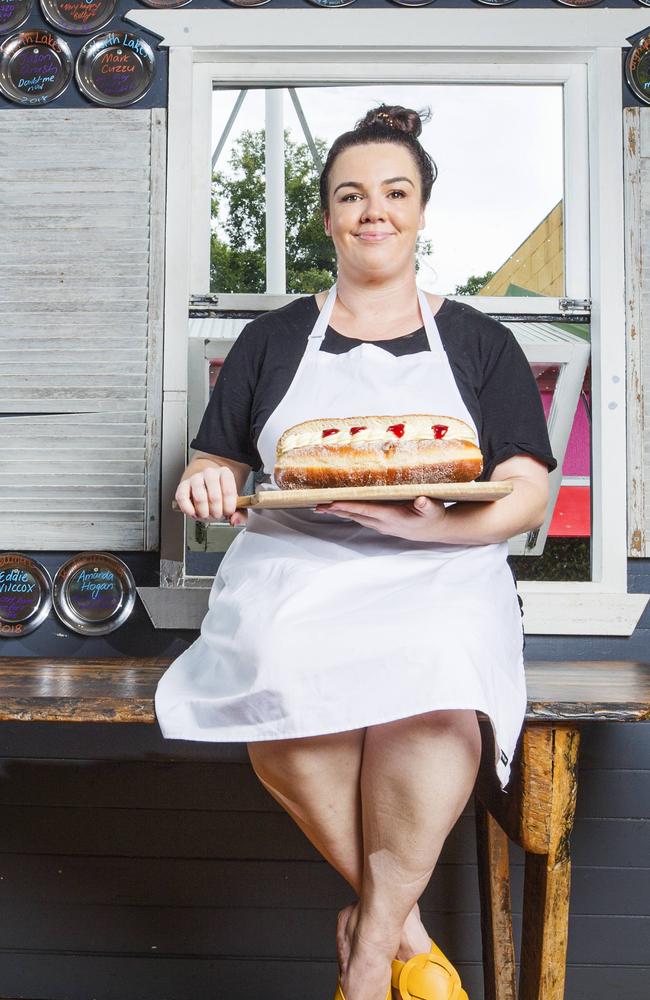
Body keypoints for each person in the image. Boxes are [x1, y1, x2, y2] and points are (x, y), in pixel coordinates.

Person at [155, 104, 556, 1000]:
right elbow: (219, 455)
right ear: (328, 217)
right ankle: (405, 930)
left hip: (443, 564)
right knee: (272, 676)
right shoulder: (271, 339)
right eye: (351, 194)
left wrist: (435, 528)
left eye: (394, 192)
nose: (373, 210)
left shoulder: (480, 342)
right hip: (295, 557)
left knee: (442, 684)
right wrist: (208, 481)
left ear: (421, 211)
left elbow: (527, 490)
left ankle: (370, 961)